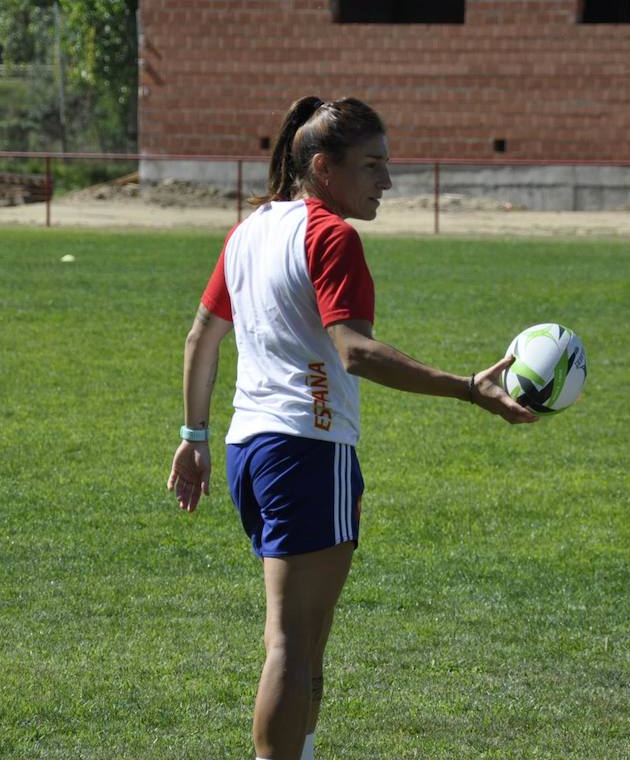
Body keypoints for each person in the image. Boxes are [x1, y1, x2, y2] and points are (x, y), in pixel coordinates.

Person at [167, 96, 537, 760]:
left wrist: (193, 439)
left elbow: (202, 336)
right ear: (323, 167)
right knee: (292, 641)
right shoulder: (331, 236)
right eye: (372, 165)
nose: (387, 181)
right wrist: (467, 390)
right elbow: (355, 351)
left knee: (296, 638)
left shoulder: (250, 228)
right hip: (307, 451)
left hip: (247, 451)